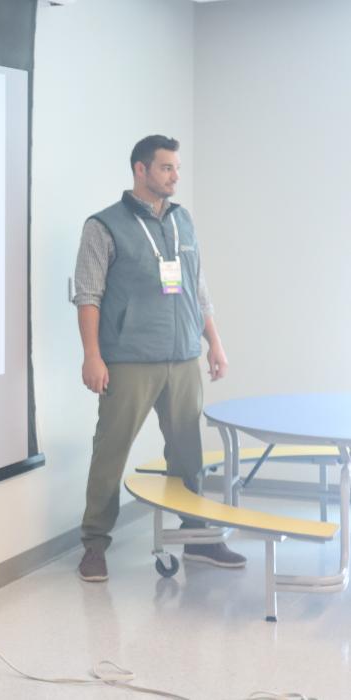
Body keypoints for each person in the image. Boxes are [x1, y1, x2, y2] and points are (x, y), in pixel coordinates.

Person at [73, 134, 245, 582]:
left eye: (177, 168)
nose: (175, 177)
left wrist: (214, 342)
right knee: (110, 452)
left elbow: (196, 287)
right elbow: (88, 296)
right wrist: (92, 356)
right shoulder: (103, 226)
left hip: (183, 356)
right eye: (167, 168)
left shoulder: (182, 220)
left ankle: (198, 539)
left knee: (188, 455)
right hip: (129, 359)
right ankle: (94, 545)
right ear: (141, 169)